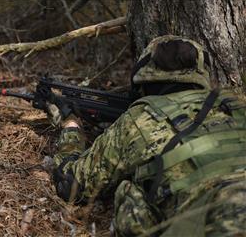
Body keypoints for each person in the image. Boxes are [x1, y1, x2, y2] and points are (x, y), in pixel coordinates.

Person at [47, 35, 246, 236]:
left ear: (146, 73)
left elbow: (72, 183)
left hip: (209, 224)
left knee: (131, 195)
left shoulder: (140, 118)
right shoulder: (236, 105)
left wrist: (70, 126)